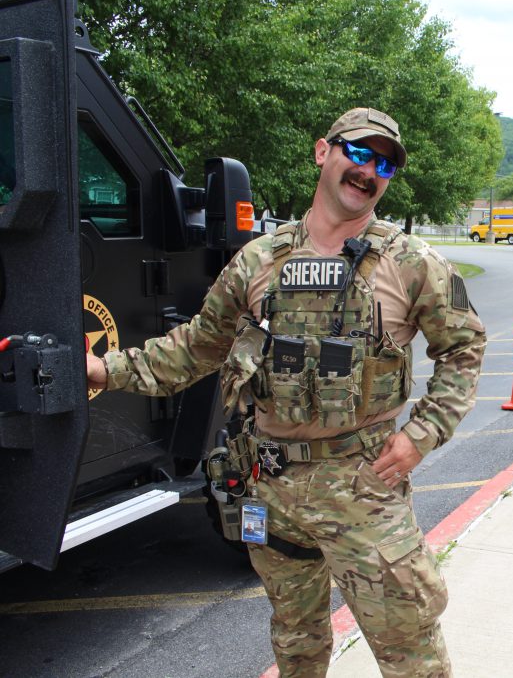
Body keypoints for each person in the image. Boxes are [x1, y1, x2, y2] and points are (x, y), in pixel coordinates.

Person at [86, 107, 485, 678]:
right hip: (268, 481)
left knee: (410, 649)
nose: (367, 170)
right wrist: (105, 371)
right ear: (324, 152)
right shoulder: (258, 261)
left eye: (384, 164)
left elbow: (464, 349)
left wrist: (421, 436)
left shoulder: (410, 262)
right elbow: (198, 346)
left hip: (363, 487)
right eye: (357, 152)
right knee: (295, 642)